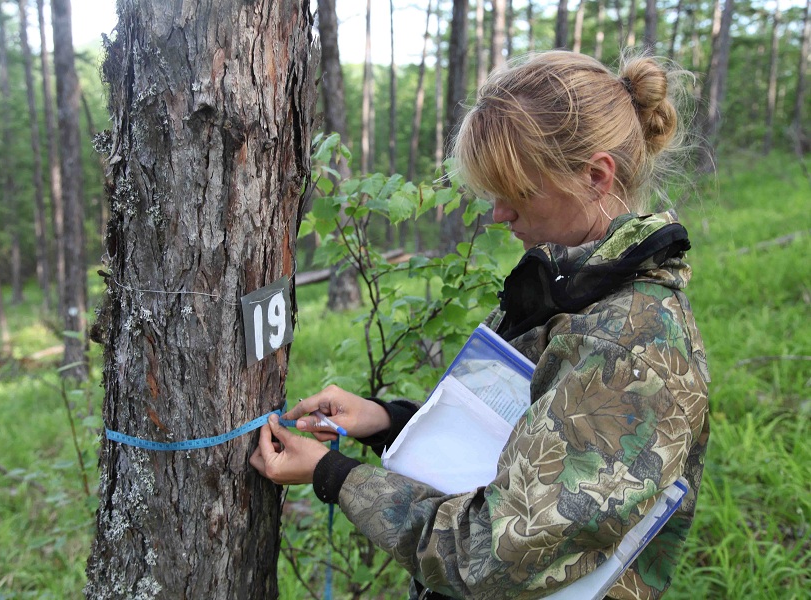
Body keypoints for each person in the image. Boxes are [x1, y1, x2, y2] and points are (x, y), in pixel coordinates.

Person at [251, 50, 710, 600]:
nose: (498, 214)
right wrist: (387, 422)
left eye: (516, 190)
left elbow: (490, 557)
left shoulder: (630, 345)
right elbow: (509, 452)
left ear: (594, 175)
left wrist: (334, 476)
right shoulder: (566, 288)